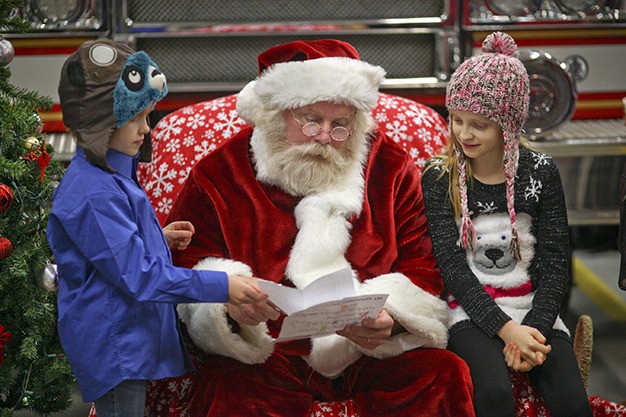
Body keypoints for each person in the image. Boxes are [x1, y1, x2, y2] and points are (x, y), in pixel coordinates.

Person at [158, 39, 476, 416]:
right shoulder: (219, 174)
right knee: (229, 389)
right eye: (311, 121)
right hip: (267, 352)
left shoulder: (391, 168)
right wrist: (225, 299)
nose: (325, 137)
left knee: (443, 374)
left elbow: (425, 263)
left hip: (367, 350)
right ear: (277, 114)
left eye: (340, 125)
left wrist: (394, 319)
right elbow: (183, 261)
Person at [46, 39, 267, 417]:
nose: (146, 129)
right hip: (116, 345)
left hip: (128, 338)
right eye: (135, 118)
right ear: (101, 120)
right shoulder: (96, 191)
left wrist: (157, 237)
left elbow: (107, 249)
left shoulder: (110, 174)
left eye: (147, 116)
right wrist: (222, 286)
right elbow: (140, 276)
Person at [420, 32, 594, 417]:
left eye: (479, 125)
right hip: (470, 310)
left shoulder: (541, 173)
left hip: (532, 304)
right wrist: (505, 330)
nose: (464, 134)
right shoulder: (438, 176)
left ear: (508, 125)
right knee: (494, 394)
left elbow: (554, 262)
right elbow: (451, 268)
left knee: (573, 404)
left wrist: (534, 327)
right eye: (457, 120)